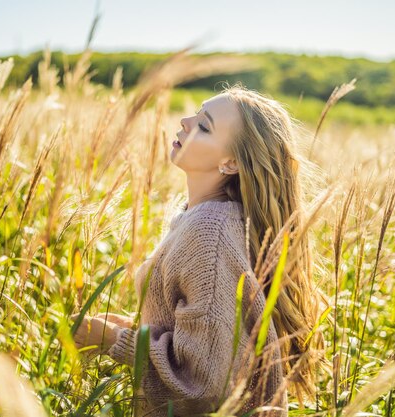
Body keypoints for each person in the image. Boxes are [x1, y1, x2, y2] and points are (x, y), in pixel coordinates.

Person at [73, 83, 329, 416]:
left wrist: (116, 342)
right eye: (197, 114)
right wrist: (136, 332)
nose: (185, 122)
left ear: (231, 163)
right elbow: (209, 342)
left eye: (204, 126)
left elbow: (204, 387)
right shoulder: (204, 216)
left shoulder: (210, 231)